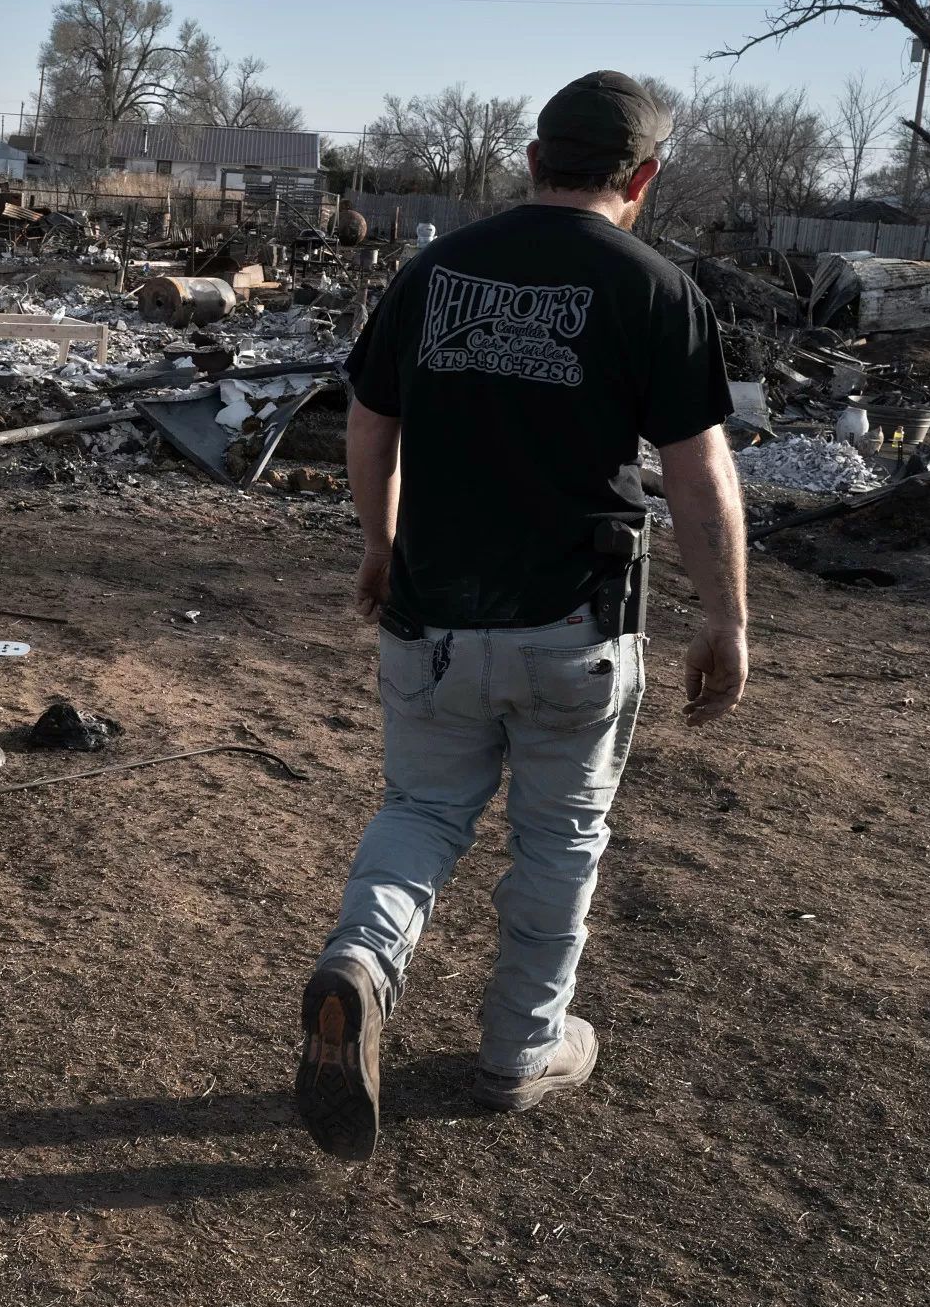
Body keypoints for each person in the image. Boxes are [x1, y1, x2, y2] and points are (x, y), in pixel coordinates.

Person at [294, 70, 749, 1161]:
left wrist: (377, 541)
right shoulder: (654, 287)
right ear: (639, 178)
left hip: (432, 615)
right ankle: (519, 1052)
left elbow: (367, 416)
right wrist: (726, 617)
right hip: (573, 624)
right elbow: (696, 473)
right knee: (560, 837)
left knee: (420, 811)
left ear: (532, 160)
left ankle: (361, 963)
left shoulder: (435, 268)